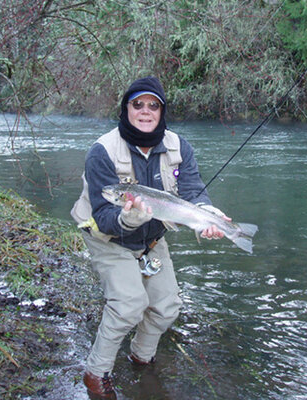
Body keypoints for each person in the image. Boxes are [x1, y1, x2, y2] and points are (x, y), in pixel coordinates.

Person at [71, 76, 229, 398]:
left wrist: (208, 215)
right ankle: (95, 373)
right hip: (108, 238)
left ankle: (141, 357)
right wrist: (128, 218)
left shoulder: (178, 147)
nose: (146, 111)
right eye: (138, 104)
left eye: (153, 105)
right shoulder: (101, 151)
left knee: (167, 306)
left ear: (162, 111)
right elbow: (103, 215)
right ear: (126, 109)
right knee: (129, 304)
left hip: (152, 241)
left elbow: (193, 191)